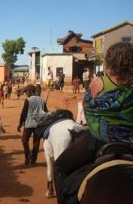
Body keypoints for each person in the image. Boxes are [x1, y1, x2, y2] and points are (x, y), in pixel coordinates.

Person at [54, 42, 133, 203]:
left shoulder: (99, 82)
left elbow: (87, 106)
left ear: (108, 61)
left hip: (98, 139)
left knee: (60, 166)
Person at [17, 84, 48, 165]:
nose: (26, 93)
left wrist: (20, 124)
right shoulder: (42, 100)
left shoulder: (28, 100)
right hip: (39, 124)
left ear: (30, 91)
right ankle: (33, 160)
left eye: (27, 91)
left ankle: (28, 156)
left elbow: (23, 113)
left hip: (29, 124)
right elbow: (46, 112)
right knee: (36, 143)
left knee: (24, 140)